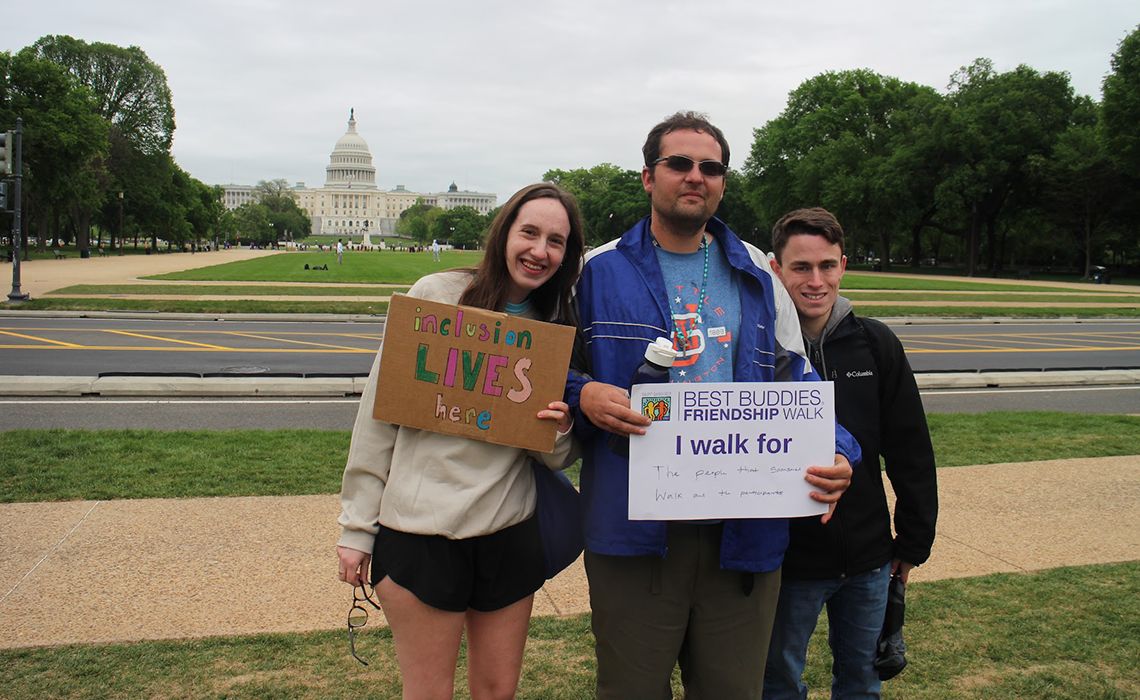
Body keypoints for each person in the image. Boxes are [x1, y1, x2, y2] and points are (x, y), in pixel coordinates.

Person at [565, 111, 862, 699]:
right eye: (679, 163)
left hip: (742, 532)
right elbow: (544, 371)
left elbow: (795, 375)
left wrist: (838, 447)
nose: (695, 176)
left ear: (723, 182)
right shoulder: (595, 271)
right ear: (649, 177)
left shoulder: (756, 272)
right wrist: (583, 393)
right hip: (635, 530)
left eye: (711, 167)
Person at [337, 183, 586, 699]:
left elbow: (554, 455)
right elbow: (378, 417)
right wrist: (357, 528)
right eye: (530, 233)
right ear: (504, 235)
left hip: (507, 530)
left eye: (556, 241)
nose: (540, 251)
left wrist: (559, 426)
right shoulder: (437, 295)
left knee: (497, 692)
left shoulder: (557, 326)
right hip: (421, 530)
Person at [763, 207, 938, 700]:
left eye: (827, 265)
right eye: (800, 267)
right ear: (777, 270)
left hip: (868, 557)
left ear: (843, 265)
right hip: (788, 561)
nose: (815, 280)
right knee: (777, 683)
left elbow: (910, 450)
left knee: (862, 683)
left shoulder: (875, 343)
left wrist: (912, 542)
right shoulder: (757, 349)